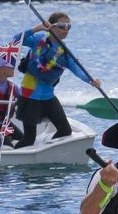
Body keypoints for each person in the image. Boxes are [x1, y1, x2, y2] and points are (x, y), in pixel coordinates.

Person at [12, 12, 101, 149]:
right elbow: (16, 40)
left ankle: (46, 150)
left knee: (65, 131)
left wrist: (90, 80)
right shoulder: (38, 40)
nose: (66, 30)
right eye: (62, 26)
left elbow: (76, 68)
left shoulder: (64, 51)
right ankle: (14, 157)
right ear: (52, 26)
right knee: (29, 139)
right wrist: (37, 28)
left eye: (69, 26)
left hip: (48, 97)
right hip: (29, 96)